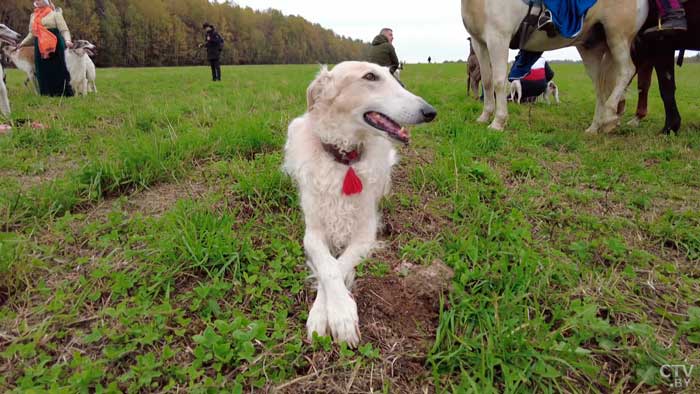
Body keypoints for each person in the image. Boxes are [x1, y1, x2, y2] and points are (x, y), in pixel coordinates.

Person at [18, 0, 74, 97]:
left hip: (55, 45)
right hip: (40, 45)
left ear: (46, 1)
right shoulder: (33, 16)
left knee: (58, 68)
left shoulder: (55, 14)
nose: (37, 1)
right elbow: (32, 34)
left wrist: (67, 40)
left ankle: (63, 92)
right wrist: (22, 43)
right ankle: (46, 93)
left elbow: (64, 30)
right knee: (42, 70)